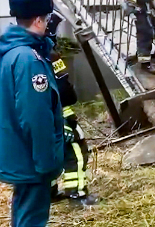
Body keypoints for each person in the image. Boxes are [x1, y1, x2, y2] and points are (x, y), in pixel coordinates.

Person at [0, 0, 64, 227]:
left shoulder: (6, 49)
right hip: (31, 156)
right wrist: (46, 162)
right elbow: (35, 116)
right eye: (48, 18)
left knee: (24, 210)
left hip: (16, 149)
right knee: (33, 217)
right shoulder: (29, 59)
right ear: (39, 20)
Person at [45, 11, 99, 207]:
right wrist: (63, 123)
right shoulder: (49, 56)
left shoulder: (25, 54)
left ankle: (48, 193)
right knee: (76, 151)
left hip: (43, 118)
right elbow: (61, 90)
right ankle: (77, 195)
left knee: (47, 155)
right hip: (59, 115)